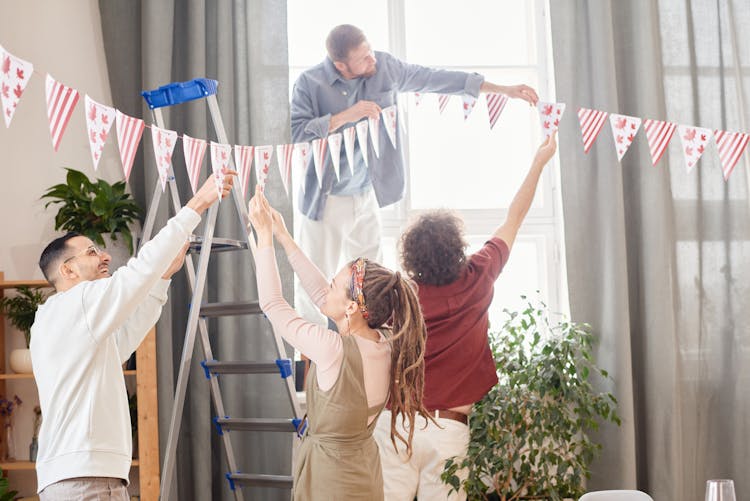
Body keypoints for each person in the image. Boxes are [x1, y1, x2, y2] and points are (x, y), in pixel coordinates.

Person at [290, 23, 540, 326]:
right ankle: (311, 360)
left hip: (367, 192)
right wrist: (347, 116)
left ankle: (373, 351)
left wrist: (502, 90)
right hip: (327, 197)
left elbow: (434, 78)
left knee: (371, 278)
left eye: (370, 51)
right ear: (341, 65)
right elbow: (298, 134)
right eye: (364, 58)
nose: (373, 60)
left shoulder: (385, 68)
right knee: (314, 281)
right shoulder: (309, 83)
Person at [373, 133, 558, 499]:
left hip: (395, 423)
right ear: (457, 246)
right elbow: (514, 218)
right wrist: (539, 162)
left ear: (411, 255)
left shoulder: (400, 294)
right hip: (448, 429)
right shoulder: (479, 274)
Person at [31, 172, 235, 500]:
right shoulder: (77, 303)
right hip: (87, 481)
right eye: (91, 252)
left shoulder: (54, 319)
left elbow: (125, 339)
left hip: (79, 479)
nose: (105, 257)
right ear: (67, 271)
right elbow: (136, 274)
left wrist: (164, 276)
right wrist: (198, 203)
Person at [246, 186, 431, 500]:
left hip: (329, 483)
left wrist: (263, 239)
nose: (325, 290)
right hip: (365, 478)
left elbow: (274, 305)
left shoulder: (332, 349)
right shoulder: (383, 341)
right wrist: (283, 235)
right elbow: (323, 296)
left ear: (350, 308)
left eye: (334, 285)